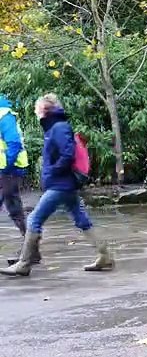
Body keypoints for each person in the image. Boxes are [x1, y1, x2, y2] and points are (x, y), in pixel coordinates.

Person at [0, 93, 113, 277]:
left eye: (37, 108)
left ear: (45, 109)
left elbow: (66, 154)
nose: (35, 112)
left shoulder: (59, 127)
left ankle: (24, 263)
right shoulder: (54, 127)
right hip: (64, 185)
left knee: (34, 219)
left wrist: (53, 172)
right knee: (81, 219)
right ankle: (105, 255)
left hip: (60, 185)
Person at [0, 94, 33, 266]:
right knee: (14, 209)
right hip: (5, 170)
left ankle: (31, 251)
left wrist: (6, 167)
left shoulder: (4, 116)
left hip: (10, 170)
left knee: (15, 209)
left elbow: (13, 143)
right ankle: (31, 251)